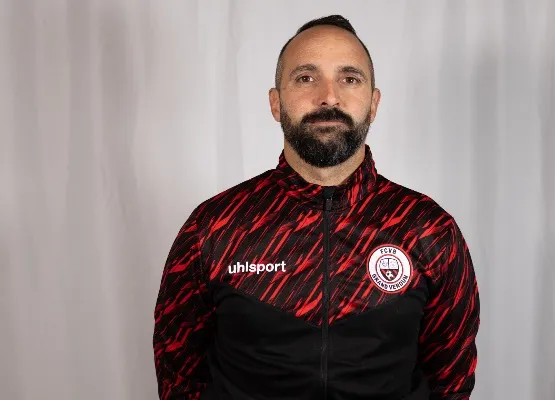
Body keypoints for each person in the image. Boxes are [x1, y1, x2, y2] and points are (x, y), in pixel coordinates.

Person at [153, 14, 480, 400]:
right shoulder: (214, 227)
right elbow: (179, 376)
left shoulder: (427, 229)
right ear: (276, 103)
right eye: (306, 77)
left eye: (349, 79)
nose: (329, 96)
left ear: (373, 104)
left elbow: (451, 381)